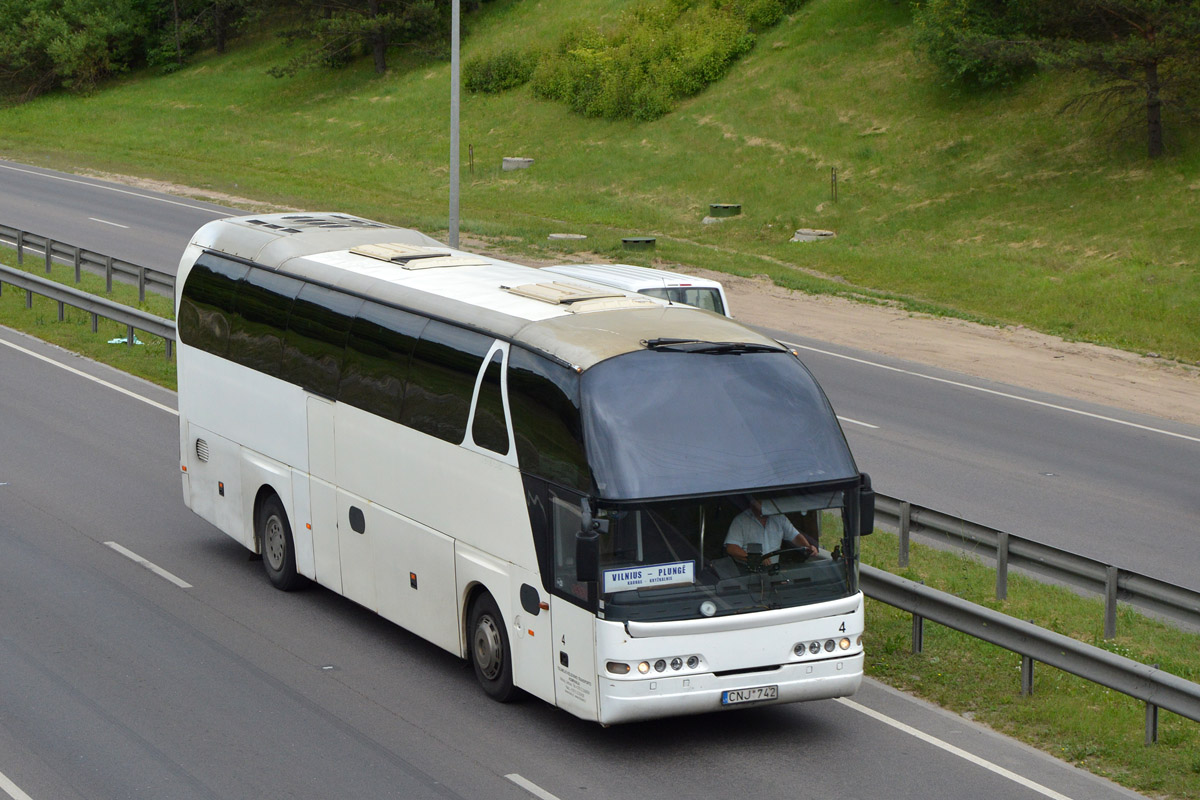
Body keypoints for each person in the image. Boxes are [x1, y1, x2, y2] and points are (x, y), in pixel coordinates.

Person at [724, 496, 818, 565]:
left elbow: (795, 536)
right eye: (762, 503)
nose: (766, 506)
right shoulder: (740, 521)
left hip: (773, 571)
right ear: (752, 502)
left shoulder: (779, 518)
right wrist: (755, 558)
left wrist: (807, 547)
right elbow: (731, 548)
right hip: (747, 573)